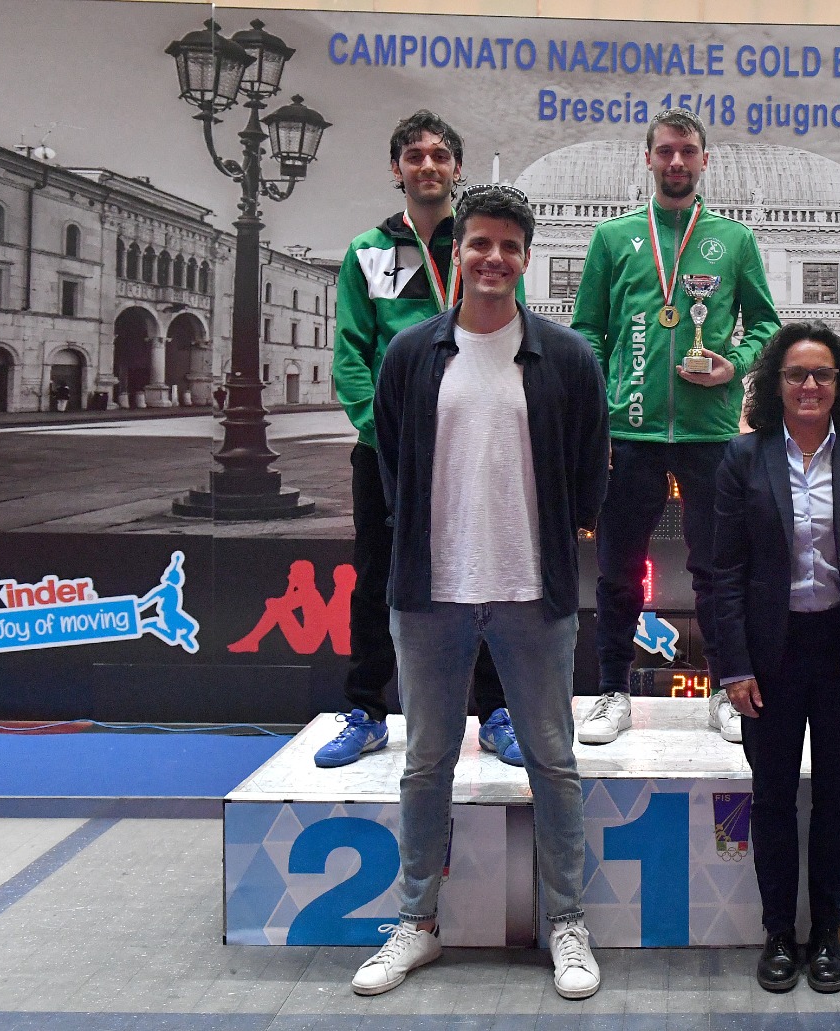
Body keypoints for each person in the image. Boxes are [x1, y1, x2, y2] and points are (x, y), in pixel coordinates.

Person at [354, 185, 609, 999]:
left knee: (554, 763)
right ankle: (416, 922)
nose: (493, 258)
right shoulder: (410, 355)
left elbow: (590, 469)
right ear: (458, 252)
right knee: (425, 763)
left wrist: (553, 539)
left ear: (526, 258)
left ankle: (566, 920)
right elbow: (393, 465)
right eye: (479, 244)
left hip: (535, 596)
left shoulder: (568, 357)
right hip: (431, 594)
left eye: (508, 246)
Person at [572, 108, 780, 746]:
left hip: (709, 433)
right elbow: (588, 331)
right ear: (649, 158)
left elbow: (767, 326)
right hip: (629, 433)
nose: (677, 161)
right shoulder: (613, 238)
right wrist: (603, 402)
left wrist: (734, 365)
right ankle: (612, 691)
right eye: (665, 151)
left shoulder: (733, 241)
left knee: (717, 570)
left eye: (687, 151)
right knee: (616, 570)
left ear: (704, 160)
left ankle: (724, 688)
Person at [324, 110, 519, 769]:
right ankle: (366, 711)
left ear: (457, 168)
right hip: (390, 451)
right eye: (414, 156)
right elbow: (351, 356)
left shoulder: (483, 247)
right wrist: (383, 433)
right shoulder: (368, 252)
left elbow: (510, 336)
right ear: (396, 169)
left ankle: (496, 711)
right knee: (377, 578)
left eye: (440, 155)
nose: (428, 165)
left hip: (477, 444)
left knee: (488, 575)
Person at [712, 322, 840, 994]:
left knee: (835, 799)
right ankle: (777, 934)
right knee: (770, 798)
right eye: (796, 374)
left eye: (823, 373)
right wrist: (734, 667)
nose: (810, 385)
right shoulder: (743, 457)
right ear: (776, 384)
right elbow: (723, 572)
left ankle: (826, 934)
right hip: (771, 656)